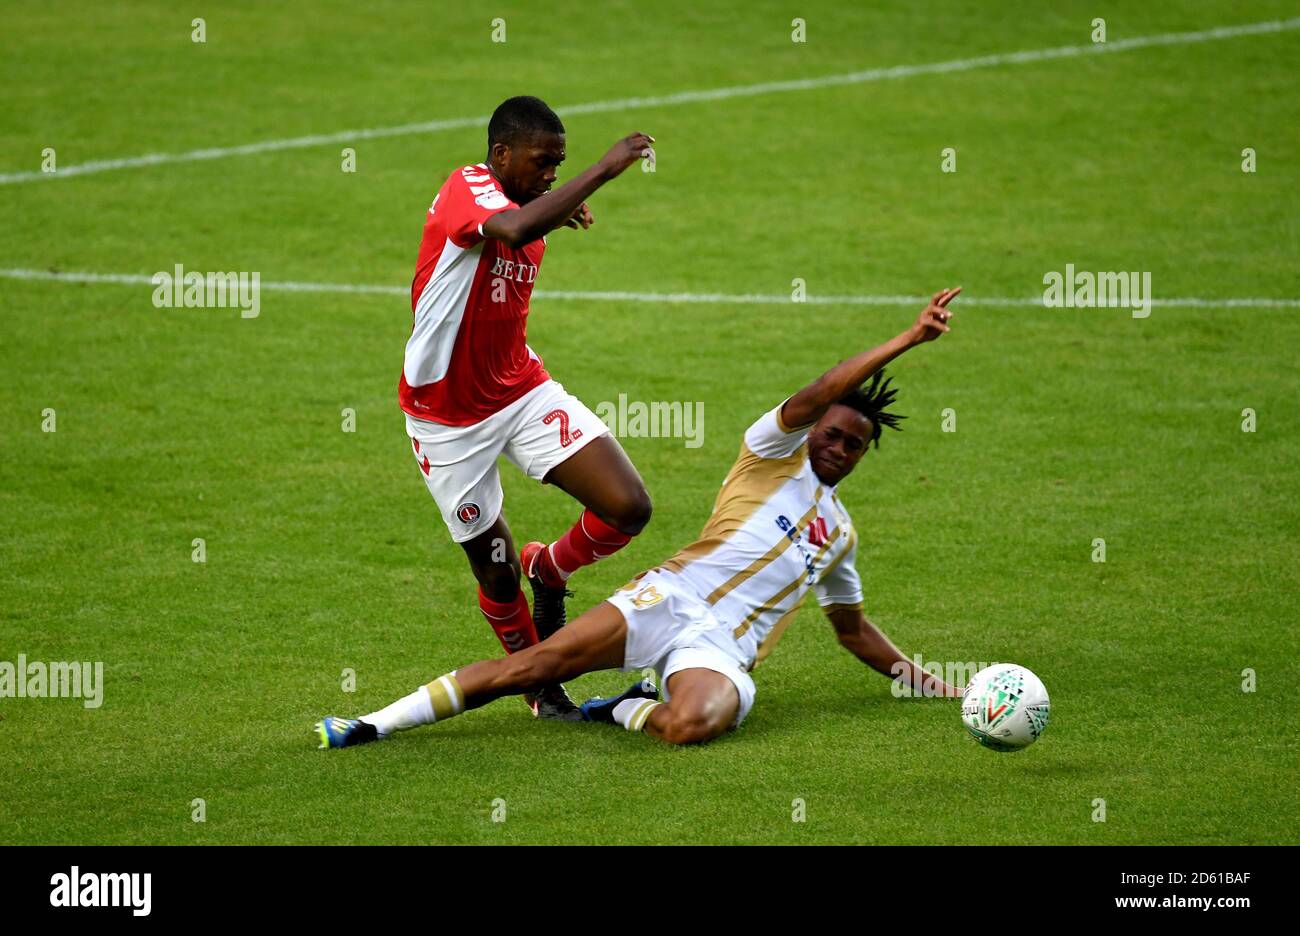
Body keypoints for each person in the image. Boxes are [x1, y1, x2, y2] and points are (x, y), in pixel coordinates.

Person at [323, 289, 966, 749]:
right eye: (830, 432)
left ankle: (627, 708)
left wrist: (933, 683)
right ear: (813, 430)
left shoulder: (841, 537)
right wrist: (908, 339)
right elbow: (824, 386)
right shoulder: (769, 454)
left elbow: (852, 632)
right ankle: (372, 724)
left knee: (691, 726)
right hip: (666, 597)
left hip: (719, 653)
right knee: (534, 669)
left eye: (853, 444)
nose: (836, 445)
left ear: (862, 456)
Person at [400, 95, 657, 719]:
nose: (552, 174)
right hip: (446, 420)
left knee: (628, 508)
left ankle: (551, 569)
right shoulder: (468, 186)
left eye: (559, 165)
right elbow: (508, 229)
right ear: (500, 154)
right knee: (494, 571)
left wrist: (551, 203)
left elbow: (522, 220)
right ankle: (539, 686)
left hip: (519, 390)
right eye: (545, 163)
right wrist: (600, 169)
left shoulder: (523, 207)